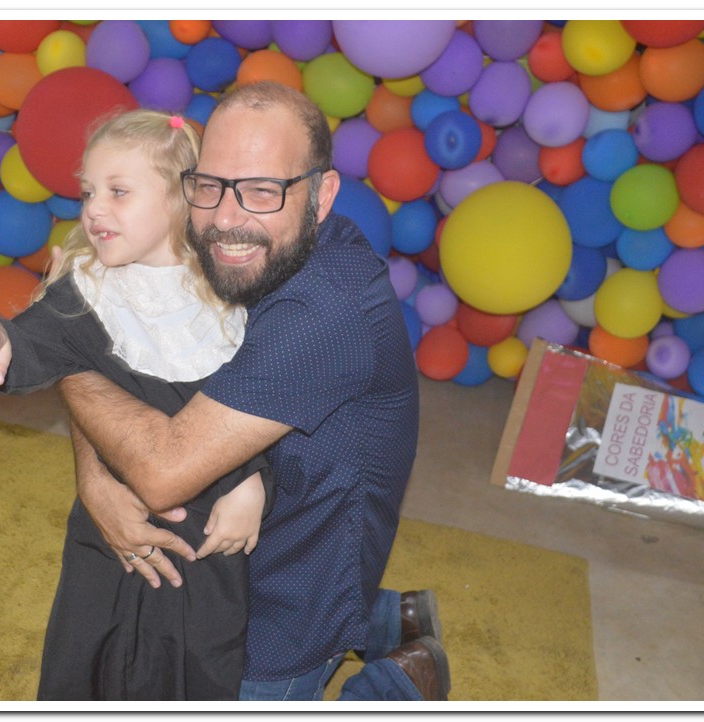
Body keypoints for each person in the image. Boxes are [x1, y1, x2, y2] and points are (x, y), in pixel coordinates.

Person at [35, 82, 447, 701]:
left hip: (288, 598)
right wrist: (94, 476)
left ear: (321, 195)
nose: (227, 219)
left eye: (261, 190)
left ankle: (401, 680)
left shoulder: (327, 311)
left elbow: (162, 470)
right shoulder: (219, 246)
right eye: (212, 185)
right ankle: (392, 617)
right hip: (219, 553)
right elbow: (121, 358)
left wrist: (65, 343)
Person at [0, 109, 274, 700]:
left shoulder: (233, 293)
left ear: (181, 197)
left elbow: (263, 398)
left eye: (119, 192)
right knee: (89, 653)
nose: (94, 209)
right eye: (88, 192)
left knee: (195, 663)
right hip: (108, 533)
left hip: (209, 537)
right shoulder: (88, 289)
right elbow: (30, 344)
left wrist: (254, 482)